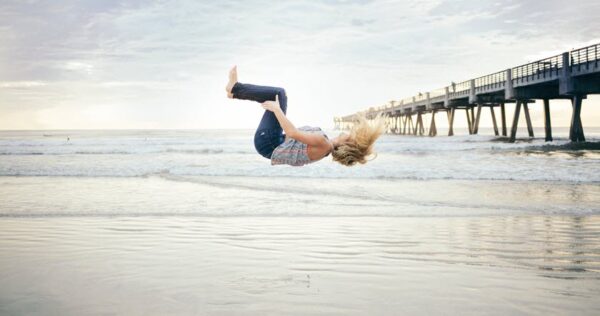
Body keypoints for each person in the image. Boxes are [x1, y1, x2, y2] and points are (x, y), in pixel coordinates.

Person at [225, 66, 385, 166]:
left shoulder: (324, 143)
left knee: (279, 94)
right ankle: (234, 92)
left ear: (347, 144)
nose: (349, 133)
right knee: (280, 96)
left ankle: (235, 88)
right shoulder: (325, 148)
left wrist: (277, 110)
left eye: (352, 136)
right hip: (271, 143)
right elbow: (297, 152)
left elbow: (293, 133)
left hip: (268, 142)